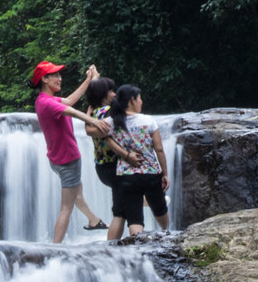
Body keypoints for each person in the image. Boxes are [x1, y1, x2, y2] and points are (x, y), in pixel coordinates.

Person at [30, 60, 112, 243]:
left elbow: (70, 100)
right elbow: (73, 111)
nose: (60, 78)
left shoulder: (44, 100)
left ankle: (93, 221)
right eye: (55, 75)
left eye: (60, 75)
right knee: (66, 207)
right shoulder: (48, 104)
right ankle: (55, 249)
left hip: (56, 159)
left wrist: (89, 80)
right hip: (67, 159)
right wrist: (95, 122)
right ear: (44, 79)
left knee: (77, 192)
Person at [102, 85, 170, 237]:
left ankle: (138, 251)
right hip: (151, 173)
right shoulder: (148, 121)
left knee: (135, 220)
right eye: (139, 98)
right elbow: (159, 150)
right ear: (132, 100)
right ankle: (167, 235)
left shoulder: (110, 122)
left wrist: (125, 155)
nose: (142, 101)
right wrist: (165, 173)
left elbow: (106, 140)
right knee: (160, 209)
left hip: (126, 176)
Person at [83, 76, 144, 241]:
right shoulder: (109, 112)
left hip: (102, 168)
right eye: (111, 91)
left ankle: (111, 250)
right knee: (127, 212)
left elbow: (89, 130)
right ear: (103, 95)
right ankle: (135, 246)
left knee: (121, 211)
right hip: (117, 167)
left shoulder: (94, 113)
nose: (114, 94)